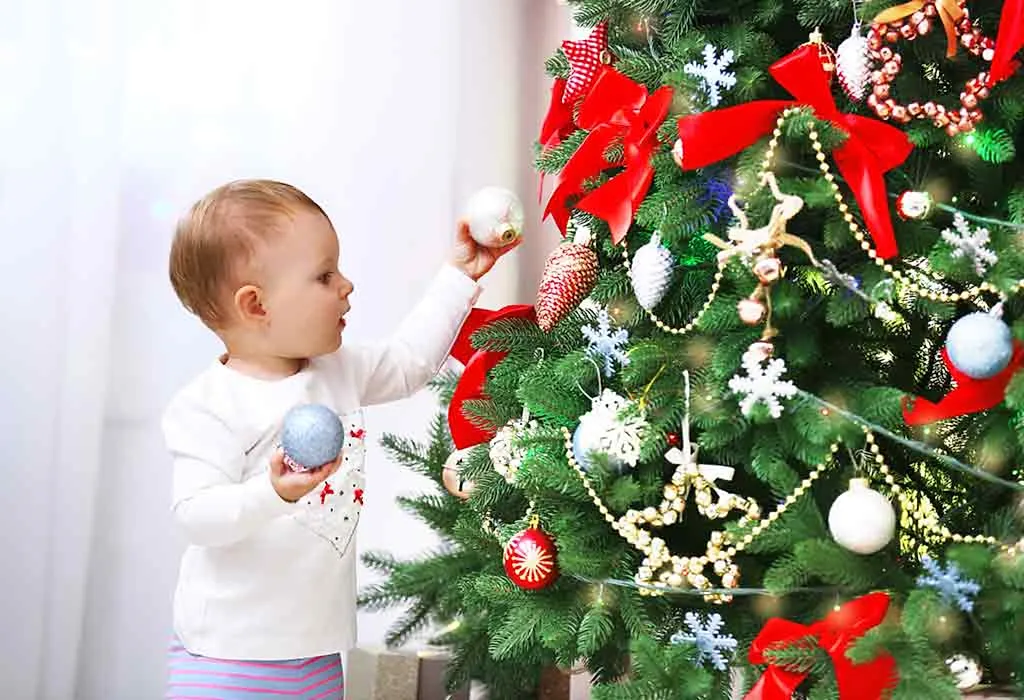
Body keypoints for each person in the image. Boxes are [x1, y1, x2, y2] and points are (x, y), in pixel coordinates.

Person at [162, 179, 517, 699]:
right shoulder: (209, 405)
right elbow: (197, 516)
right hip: (229, 656)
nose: (346, 285)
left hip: (317, 651)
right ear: (256, 305)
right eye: (324, 275)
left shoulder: (339, 370)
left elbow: (410, 363)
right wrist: (273, 492)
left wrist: (459, 275)